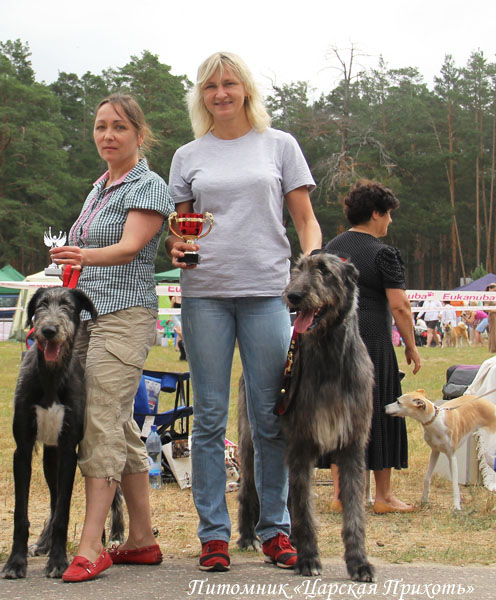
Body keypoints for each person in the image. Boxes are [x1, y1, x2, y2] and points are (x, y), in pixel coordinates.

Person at [166, 51, 321, 572]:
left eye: (229, 83)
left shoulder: (280, 146)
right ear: (201, 96)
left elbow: (305, 219)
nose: (221, 93)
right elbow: (180, 229)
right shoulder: (187, 155)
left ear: (246, 90)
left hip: (267, 294)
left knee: (269, 416)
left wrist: (310, 268)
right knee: (207, 418)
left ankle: (275, 528)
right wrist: (175, 248)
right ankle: (214, 534)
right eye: (210, 86)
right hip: (205, 294)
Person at [49, 93, 173, 583]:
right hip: (86, 314)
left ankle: (90, 544)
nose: (107, 135)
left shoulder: (149, 185)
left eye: (118, 127)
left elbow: (129, 247)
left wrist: (78, 256)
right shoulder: (99, 185)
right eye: (100, 126)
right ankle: (141, 540)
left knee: (100, 419)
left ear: (140, 135)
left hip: (125, 315)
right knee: (117, 424)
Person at [323, 180, 421, 514]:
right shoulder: (383, 253)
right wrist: (411, 345)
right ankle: (383, 496)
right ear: (376, 213)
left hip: (335, 344)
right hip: (373, 344)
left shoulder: (329, 249)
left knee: (340, 414)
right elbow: (400, 307)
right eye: (389, 215)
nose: (390, 222)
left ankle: (340, 495)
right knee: (382, 410)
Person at [486, 283, 496, 352]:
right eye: (492, 287)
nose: (494, 288)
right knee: (493, 331)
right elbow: (486, 308)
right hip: (492, 315)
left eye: (495, 286)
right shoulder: (487, 296)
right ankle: (493, 348)